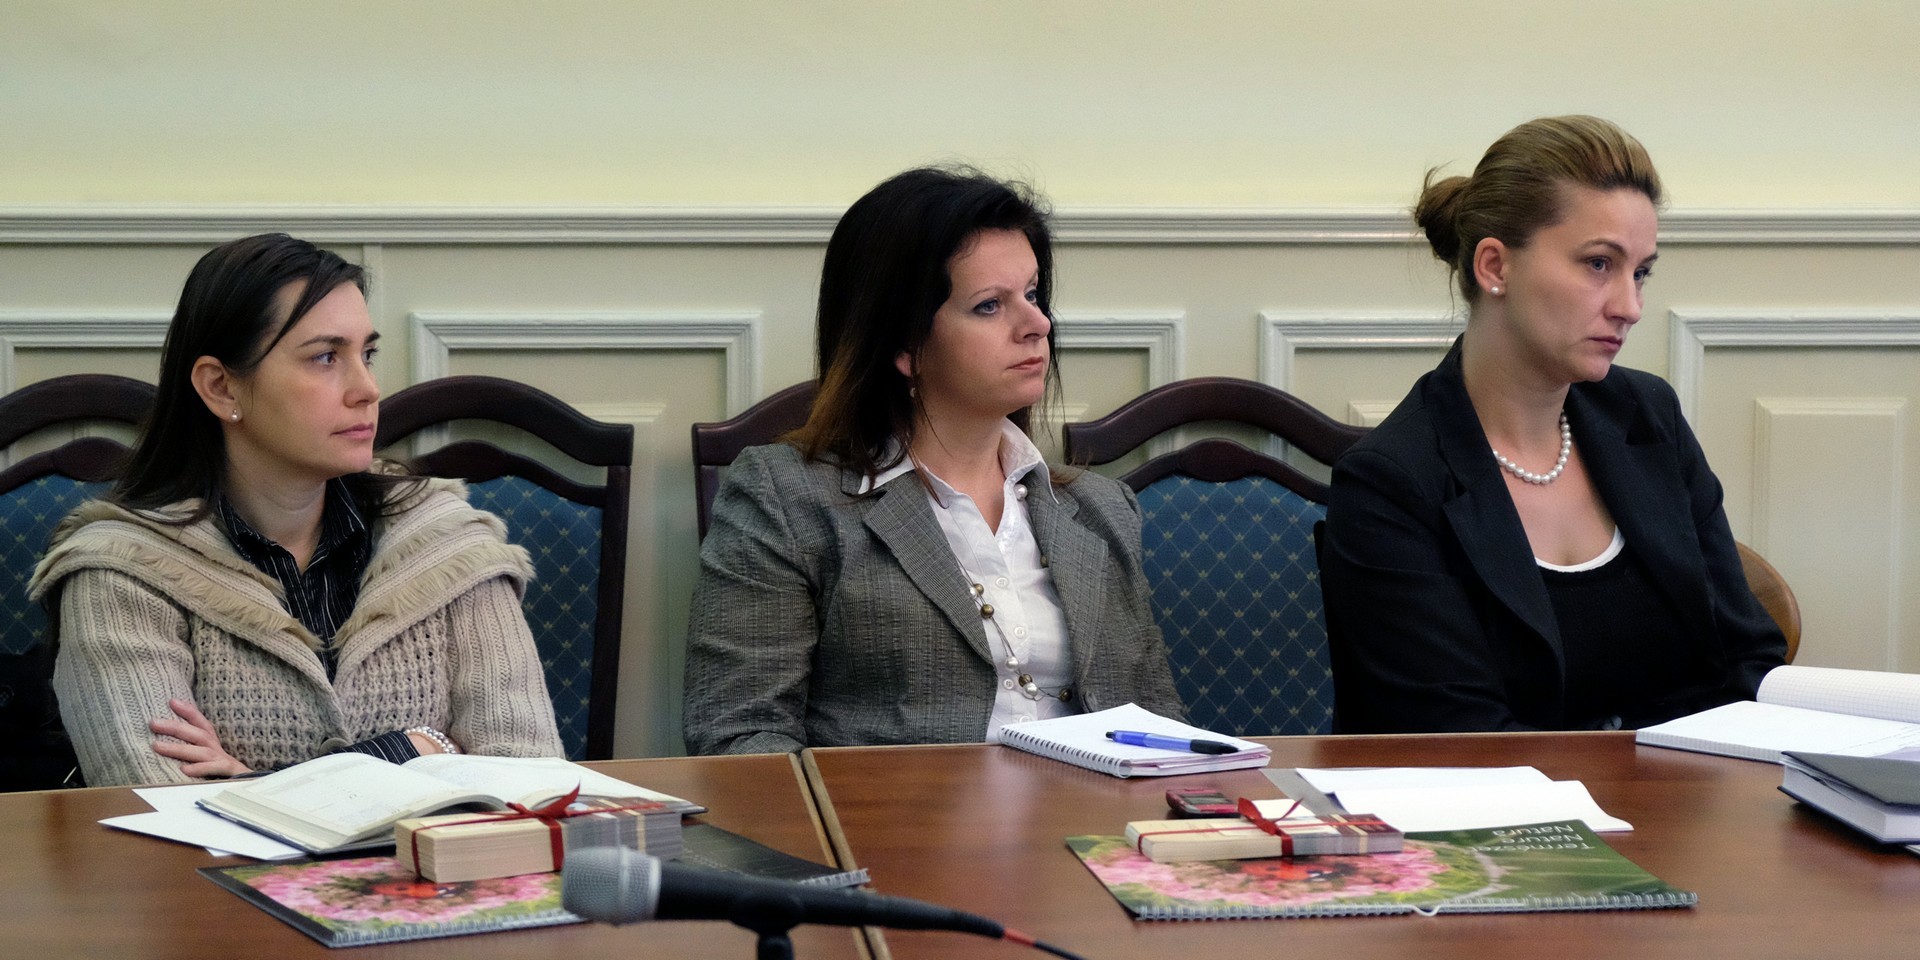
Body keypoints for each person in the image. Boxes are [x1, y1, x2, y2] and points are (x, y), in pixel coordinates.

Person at [683, 167, 1184, 755]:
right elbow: (739, 737)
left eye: (1032, 295)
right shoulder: (786, 500)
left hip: (1092, 814)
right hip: (887, 815)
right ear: (904, 346)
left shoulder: (1103, 510)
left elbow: (1162, 732)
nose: (1038, 325)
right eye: (990, 306)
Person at [31, 233, 562, 786]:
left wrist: (254, 781)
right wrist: (420, 748)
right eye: (326, 357)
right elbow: (163, 809)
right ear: (221, 387)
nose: (367, 389)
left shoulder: (448, 544)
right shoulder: (121, 573)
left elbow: (529, 782)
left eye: (367, 354)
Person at [1320, 116, 1786, 733]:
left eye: (1640, 272)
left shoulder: (1649, 418)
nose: (1630, 307)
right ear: (1495, 266)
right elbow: (1459, 738)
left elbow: (1747, 658)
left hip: (1694, 788)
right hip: (1503, 799)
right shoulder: (1391, 484)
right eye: (1599, 264)